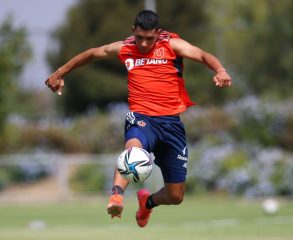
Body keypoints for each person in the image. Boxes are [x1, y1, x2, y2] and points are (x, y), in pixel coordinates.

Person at [45, 10, 232, 227]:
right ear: (133, 31)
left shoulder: (172, 45)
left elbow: (201, 55)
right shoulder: (125, 47)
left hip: (172, 124)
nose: (143, 43)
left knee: (176, 196)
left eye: (149, 39)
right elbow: (93, 53)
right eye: (139, 37)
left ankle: (148, 202)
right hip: (142, 117)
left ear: (158, 33)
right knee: (133, 149)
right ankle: (116, 196)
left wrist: (220, 70)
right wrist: (60, 73)